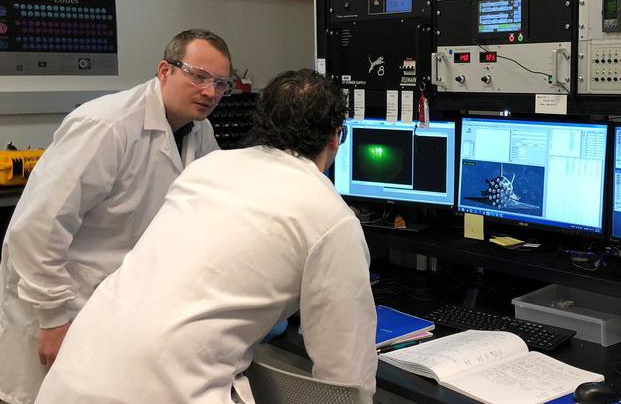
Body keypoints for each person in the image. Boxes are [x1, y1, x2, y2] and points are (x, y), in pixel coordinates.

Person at [35, 69, 377, 404]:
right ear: (335, 137)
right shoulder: (331, 217)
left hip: (74, 373)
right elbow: (346, 377)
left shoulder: (206, 169)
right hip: (166, 389)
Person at [0, 29, 233, 404]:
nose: (210, 92)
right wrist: (53, 320)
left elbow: (209, 200)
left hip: (114, 305)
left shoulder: (197, 131)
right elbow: (37, 229)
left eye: (221, 83)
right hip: (64, 302)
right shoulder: (106, 125)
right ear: (164, 70)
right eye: (198, 75)